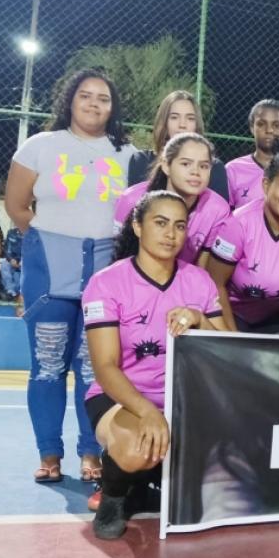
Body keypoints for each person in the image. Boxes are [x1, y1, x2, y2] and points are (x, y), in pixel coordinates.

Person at [5, 67, 136, 484]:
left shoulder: (128, 154)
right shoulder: (41, 145)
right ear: (70, 99)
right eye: (86, 95)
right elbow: (16, 206)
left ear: (113, 108)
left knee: (94, 368)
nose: (95, 103)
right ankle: (48, 453)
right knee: (47, 365)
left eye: (103, 97)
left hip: (105, 274)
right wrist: (50, 244)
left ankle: (90, 451)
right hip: (50, 270)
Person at [83, 190, 227, 539]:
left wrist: (199, 319)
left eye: (179, 225)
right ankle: (114, 493)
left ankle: (149, 482)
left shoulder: (198, 280)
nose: (170, 234)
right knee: (137, 449)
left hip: (184, 399)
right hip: (123, 397)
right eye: (160, 223)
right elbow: (105, 367)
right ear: (137, 225)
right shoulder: (106, 283)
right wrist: (147, 411)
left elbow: (227, 350)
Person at [207, 140, 279, 334]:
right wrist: (232, 338)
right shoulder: (237, 224)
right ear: (266, 184)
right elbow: (215, 284)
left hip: (277, 316)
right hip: (233, 314)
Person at [114, 133, 229, 268]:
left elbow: (202, 269)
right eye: (186, 164)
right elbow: (117, 253)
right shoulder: (131, 199)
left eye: (204, 166)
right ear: (166, 166)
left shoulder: (218, 209)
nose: (195, 172)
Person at [126, 90, 228, 199]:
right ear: (164, 121)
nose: (182, 125)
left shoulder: (215, 168)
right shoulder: (141, 160)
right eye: (174, 117)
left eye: (190, 118)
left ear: (197, 124)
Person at [225, 99, 279, 209]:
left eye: (276, 125)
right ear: (251, 128)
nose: (269, 130)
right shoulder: (233, 169)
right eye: (261, 124)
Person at [0, 226, 23, 299]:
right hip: (12, 260)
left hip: (25, 261)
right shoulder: (11, 232)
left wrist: (23, 261)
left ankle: (18, 292)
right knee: (4, 264)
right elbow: (5, 249)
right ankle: (10, 291)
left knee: (17, 278)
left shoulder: (32, 234)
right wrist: (10, 259)